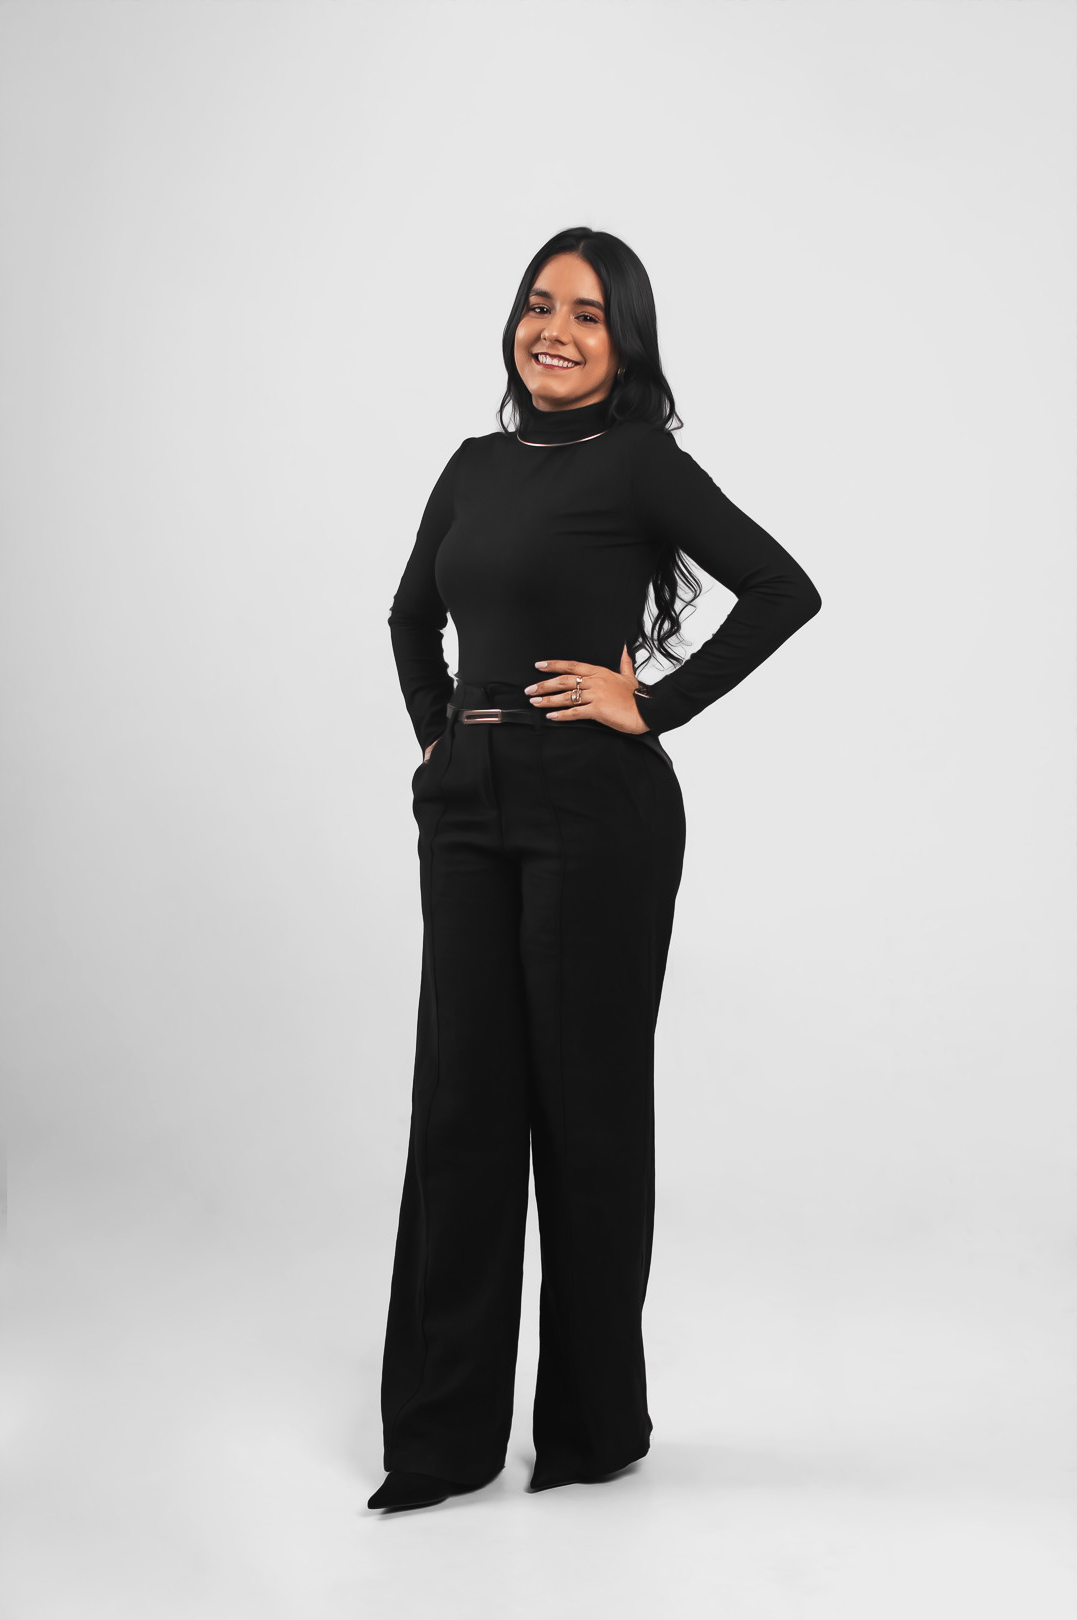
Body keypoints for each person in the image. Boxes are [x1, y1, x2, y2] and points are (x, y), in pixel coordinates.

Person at [368, 228, 822, 1512]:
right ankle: (442, 1440)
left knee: (586, 1114)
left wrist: (652, 705)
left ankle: (591, 1427)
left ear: (625, 343)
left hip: (596, 805)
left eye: (585, 313)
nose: (554, 330)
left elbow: (783, 588)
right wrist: (443, 735)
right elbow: (410, 613)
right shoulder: (472, 466)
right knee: (461, 1112)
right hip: (468, 804)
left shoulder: (638, 463)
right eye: (538, 304)